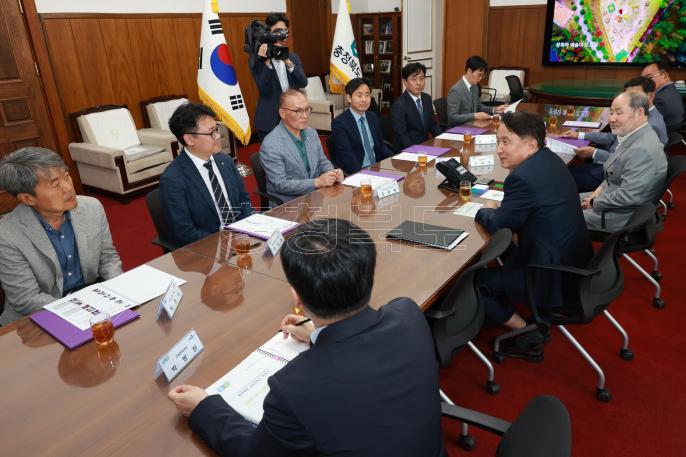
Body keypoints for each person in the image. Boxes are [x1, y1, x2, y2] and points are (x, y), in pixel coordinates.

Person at [168, 218, 443, 457]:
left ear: (296, 296)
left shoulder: (294, 388)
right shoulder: (408, 313)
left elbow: (252, 452)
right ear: (369, 275)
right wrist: (317, 334)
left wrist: (204, 407)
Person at [475, 112, 592, 361]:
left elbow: (500, 224)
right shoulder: (550, 160)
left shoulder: (522, 178)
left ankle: (528, 332)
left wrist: (484, 211)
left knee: (475, 283)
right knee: (503, 250)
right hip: (572, 260)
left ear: (530, 145)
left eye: (505, 142)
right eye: (498, 141)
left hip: (549, 273)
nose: (498, 150)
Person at [0, 147, 122, 325]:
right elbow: (27, 299)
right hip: (36, 321)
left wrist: (119, 293)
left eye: (66, 175)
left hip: (94, 305)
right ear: (27, 198)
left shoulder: (92, 208)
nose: (68, 187)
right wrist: (84, 313)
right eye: (56, 184)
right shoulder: (7, 234)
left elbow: (108, 258)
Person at [159, 102, 254, 248]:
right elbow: (184, 232)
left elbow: (244, 200)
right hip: (207, 250)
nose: (218, 136)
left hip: (243, 240)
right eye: (211, 132)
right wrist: (227, 242)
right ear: (189, 139)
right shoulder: (173, 179)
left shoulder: (226, 161)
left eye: (217, 129)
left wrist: (251, 230)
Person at [563, 76, 668, 192]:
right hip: (610, 167)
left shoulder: (650, 125)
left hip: (614, 177)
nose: (629, 100)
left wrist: (594, 153)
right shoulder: (637, 117)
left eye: (634, 96)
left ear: (650, 96)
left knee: (562, 175)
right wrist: (580, 135)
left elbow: (626, 163)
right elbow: (612, 137)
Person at [582, 91, 667, 231]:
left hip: (618, 215)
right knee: (561, 202)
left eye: (619, 113)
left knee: (556, 215)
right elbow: (612, 174)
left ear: (639, 112)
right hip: (611, 198)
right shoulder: (636, 135)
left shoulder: (642, 150)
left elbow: (628, 196)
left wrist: (594, 201)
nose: (612, 119)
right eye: (611, 113)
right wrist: (598, 191)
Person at [260, 89, 344, 206]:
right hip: (288, 205)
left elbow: (321, 161)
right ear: (283, 113)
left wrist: (331, 172)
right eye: (298, 111)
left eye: (307, 109)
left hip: (317, 199)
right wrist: (316, 182)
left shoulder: (311, 133)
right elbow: (281, 184)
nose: (305, 116)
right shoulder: (271, 144)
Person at [251, 13, 308, 140]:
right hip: (269, 119)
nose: (281, 35)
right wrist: (268, 61)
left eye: (285, 31)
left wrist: (287, 61)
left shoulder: (293, 57)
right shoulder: (258, 59)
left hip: (294, 116)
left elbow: (303, 83)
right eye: (277, 31)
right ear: (267, 32)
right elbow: (264, 88)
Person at [331, 77, 393, 175]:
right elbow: (348, 157)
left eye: (367, 95)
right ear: (349, 98)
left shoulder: (372, 117)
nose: (364, 100)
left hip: (377, 167)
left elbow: (381, 145)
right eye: (359, 95)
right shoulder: (340, 123)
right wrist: (365, 175)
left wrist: (394, 161)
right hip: (357, 171)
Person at [391, 62, 443, 150]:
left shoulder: (427, 98)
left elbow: (433, 125)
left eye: (421, 79)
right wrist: (417, 152)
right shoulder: (399, 105)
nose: (419, 83)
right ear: (405, 82)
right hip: (407, 151)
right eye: (414, 79)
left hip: (426, 146)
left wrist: (443, 140)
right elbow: (401, 136)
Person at [447, 55, 507, 126]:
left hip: (473, 126)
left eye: (483, 75)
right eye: (479, 75)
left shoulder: (475, 86)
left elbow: (479, 106)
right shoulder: (456, 90)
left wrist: (494, 109)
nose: (481, 78)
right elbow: (452, 117)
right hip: (459, 128)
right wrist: (475, 115)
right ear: (469, 71)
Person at [641, 60, 685, 133]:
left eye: (649, 77)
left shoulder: (659, 98)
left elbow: (641, 123)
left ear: (664, 76)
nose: (644, 83)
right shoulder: (670, 89)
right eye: (642, 79)